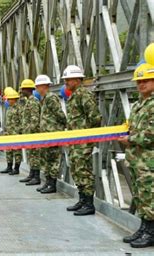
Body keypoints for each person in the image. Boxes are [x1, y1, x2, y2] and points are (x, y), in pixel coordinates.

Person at [118, 63, 154, 248]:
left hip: (149, 161)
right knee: (141, 196)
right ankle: (144, 228)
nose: (141, 85)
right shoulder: (140, 104)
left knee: (150, 197)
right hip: (138, 160)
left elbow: (151, 134)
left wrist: (130, 139)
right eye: (139, 81)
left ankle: (151, 232)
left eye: (146, 80)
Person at [63, 65, 102, 216]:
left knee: (83, 170)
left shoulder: (83, 95)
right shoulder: (73, 96)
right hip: (75, 140)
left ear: (78, 80)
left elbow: (95, 117)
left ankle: (89, 203)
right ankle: (82, 199)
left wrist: (87, 136)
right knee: (76, 169)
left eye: (68, 79)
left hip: (83, 141)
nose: (66, 82)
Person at [33, 75, 66, 193]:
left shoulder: (51, 98)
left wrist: (59, 129)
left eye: (37, 86)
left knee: (53, 160)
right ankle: (47, 182)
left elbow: (60, 115)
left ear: (43, 86)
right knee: (46, 159)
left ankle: (52, 184)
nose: (36, 89)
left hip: (52, 134)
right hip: (46, 135)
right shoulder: (45, 98)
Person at [18, 79, 41, 182]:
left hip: (33, 134)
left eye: (22, 89)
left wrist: (29, 131)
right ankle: (31, 174)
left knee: (35, 155)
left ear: (27, 89)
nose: (21, 91)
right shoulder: (29, 102)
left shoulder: (33, 102)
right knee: (31, 155)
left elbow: (35, 119)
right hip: (29, 134)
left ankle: (36, 176)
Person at [0, 87, 23, 174]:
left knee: (17, 151)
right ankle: (9, 166)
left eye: (9, 99)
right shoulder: (9, 108)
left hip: (16, 133)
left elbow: (22, 121)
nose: (8, 101)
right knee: (8, 150)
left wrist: (19, 131)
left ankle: (16, 168)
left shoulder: (19, 108)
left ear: (14, 99)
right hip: (9, 133)